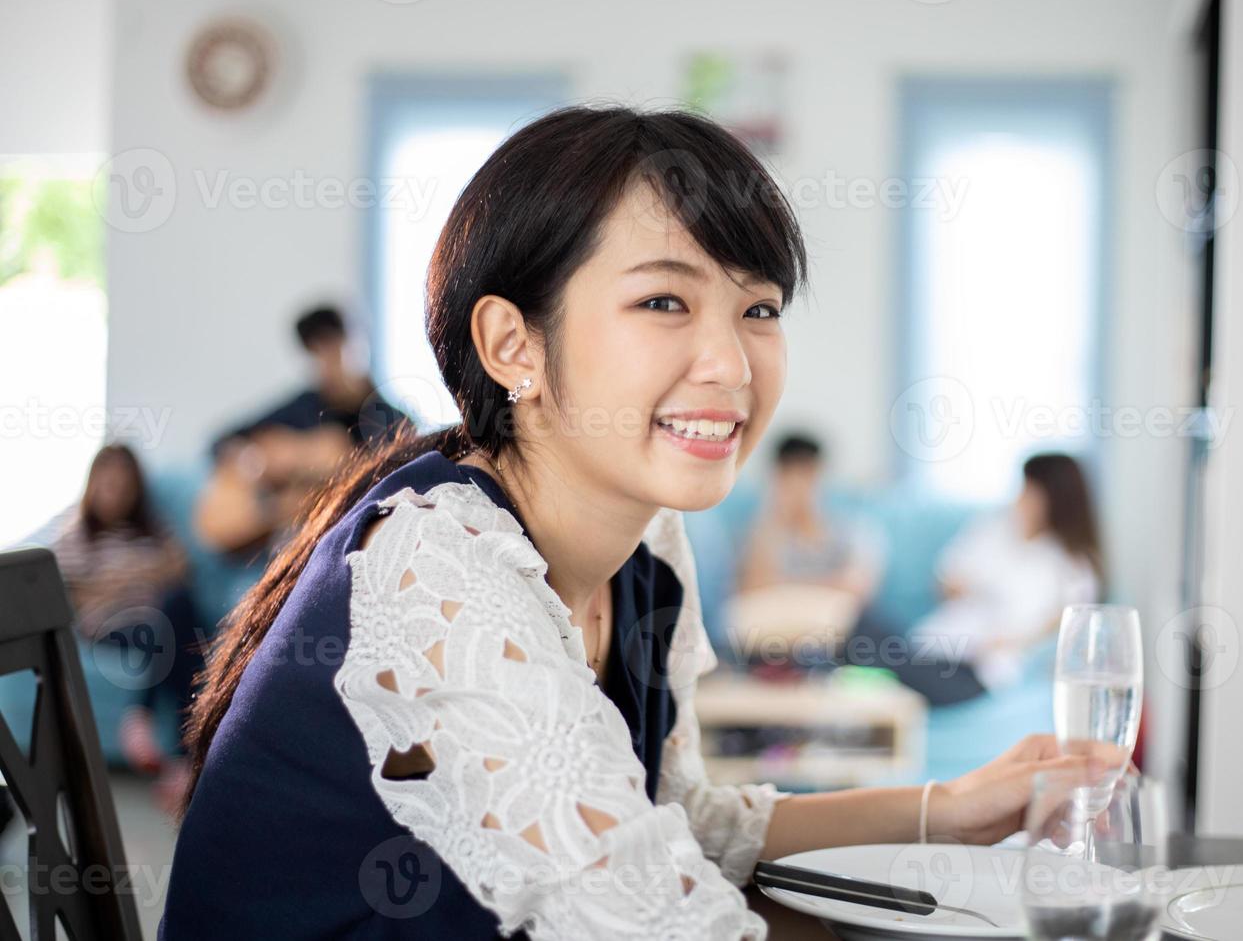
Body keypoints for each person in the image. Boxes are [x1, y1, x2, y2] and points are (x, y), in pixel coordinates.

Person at [161, 106, 1101, 940]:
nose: (732, 364)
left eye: (759, 308)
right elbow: (653, 918)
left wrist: (950, 806)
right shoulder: (437, 564)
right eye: (664, 301)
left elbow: (674, 815)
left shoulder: (648, 543)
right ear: (510, 344)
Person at [858, 453, 1103, 706]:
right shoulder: (994, 527)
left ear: (1057, 498)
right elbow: (946, 581)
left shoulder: (1072, 565)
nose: (1021, 499)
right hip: (935, 646)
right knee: (870, 633)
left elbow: (1067, 629)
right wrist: (968, 589)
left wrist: (1006, 640)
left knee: (873, 647)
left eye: (1031, 491)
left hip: (978, 670)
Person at [50, 443, 207, 810]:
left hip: (156, 619)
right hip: (112, 623)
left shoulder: (153, 530)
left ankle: (168, 747)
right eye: (108, 485)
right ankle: (150, 725)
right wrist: (133, 578)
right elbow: (67, 592)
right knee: (167, 634)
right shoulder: (75, 534)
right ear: (93, 486)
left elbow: (181, 571)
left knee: (181, 616)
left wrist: (121, 578)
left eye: (124, 486)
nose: (115, 493)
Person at [193, 304, 407, 557]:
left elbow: (399, 480)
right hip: (285, 539)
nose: (327, 359)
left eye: (334, 344)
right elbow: (220, 442)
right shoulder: (302, 406)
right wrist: (258, 463)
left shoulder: (392, 419)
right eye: (316, 349)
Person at [737, 432, 885, 601]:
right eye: (788, 476)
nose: (798, 486)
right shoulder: (762, 531)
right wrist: (777, 523)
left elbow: (856, 586)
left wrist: (787, 587)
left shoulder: (850, 528)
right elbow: (753, 589)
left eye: (805, 474)